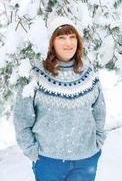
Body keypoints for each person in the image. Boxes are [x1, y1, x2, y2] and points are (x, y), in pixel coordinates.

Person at [13, 16, 106, 181]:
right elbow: (22, 119)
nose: (68, 43)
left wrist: (98, 140)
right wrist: (32, 151)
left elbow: (99, 111)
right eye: (61, 37)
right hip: (48, 161)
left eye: (72, 37)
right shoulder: (35, 74)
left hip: (86, 159)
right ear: (51, 42)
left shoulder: (88, 72)